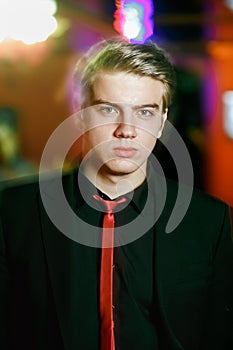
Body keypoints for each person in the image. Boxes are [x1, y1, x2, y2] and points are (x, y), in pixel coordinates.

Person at [0, 38, 232, 350]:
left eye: (145, 112)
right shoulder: (13, 213)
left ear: (162, 121)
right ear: (81, 113)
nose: (127, 129)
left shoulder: (208, 221)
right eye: (109, 109)